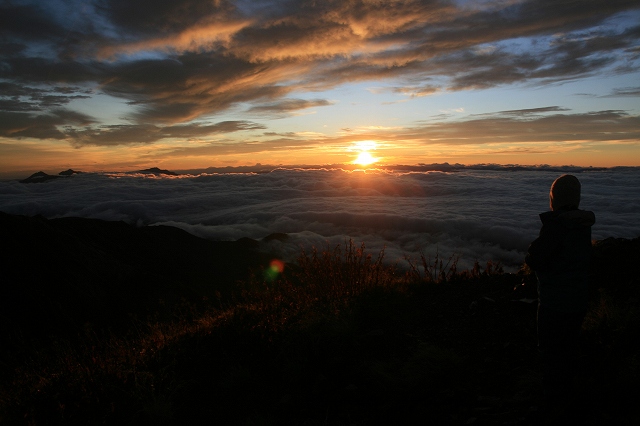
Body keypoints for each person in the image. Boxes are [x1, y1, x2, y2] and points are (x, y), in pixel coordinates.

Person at [525, 174, 595, 418]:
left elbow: (536, 258)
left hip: (554, 303)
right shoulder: (582, 225)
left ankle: (553, 404)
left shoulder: (557, 227)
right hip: (577, 300)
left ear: (554, 200)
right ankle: (570, 397)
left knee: (551, 352)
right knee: (569, 348)